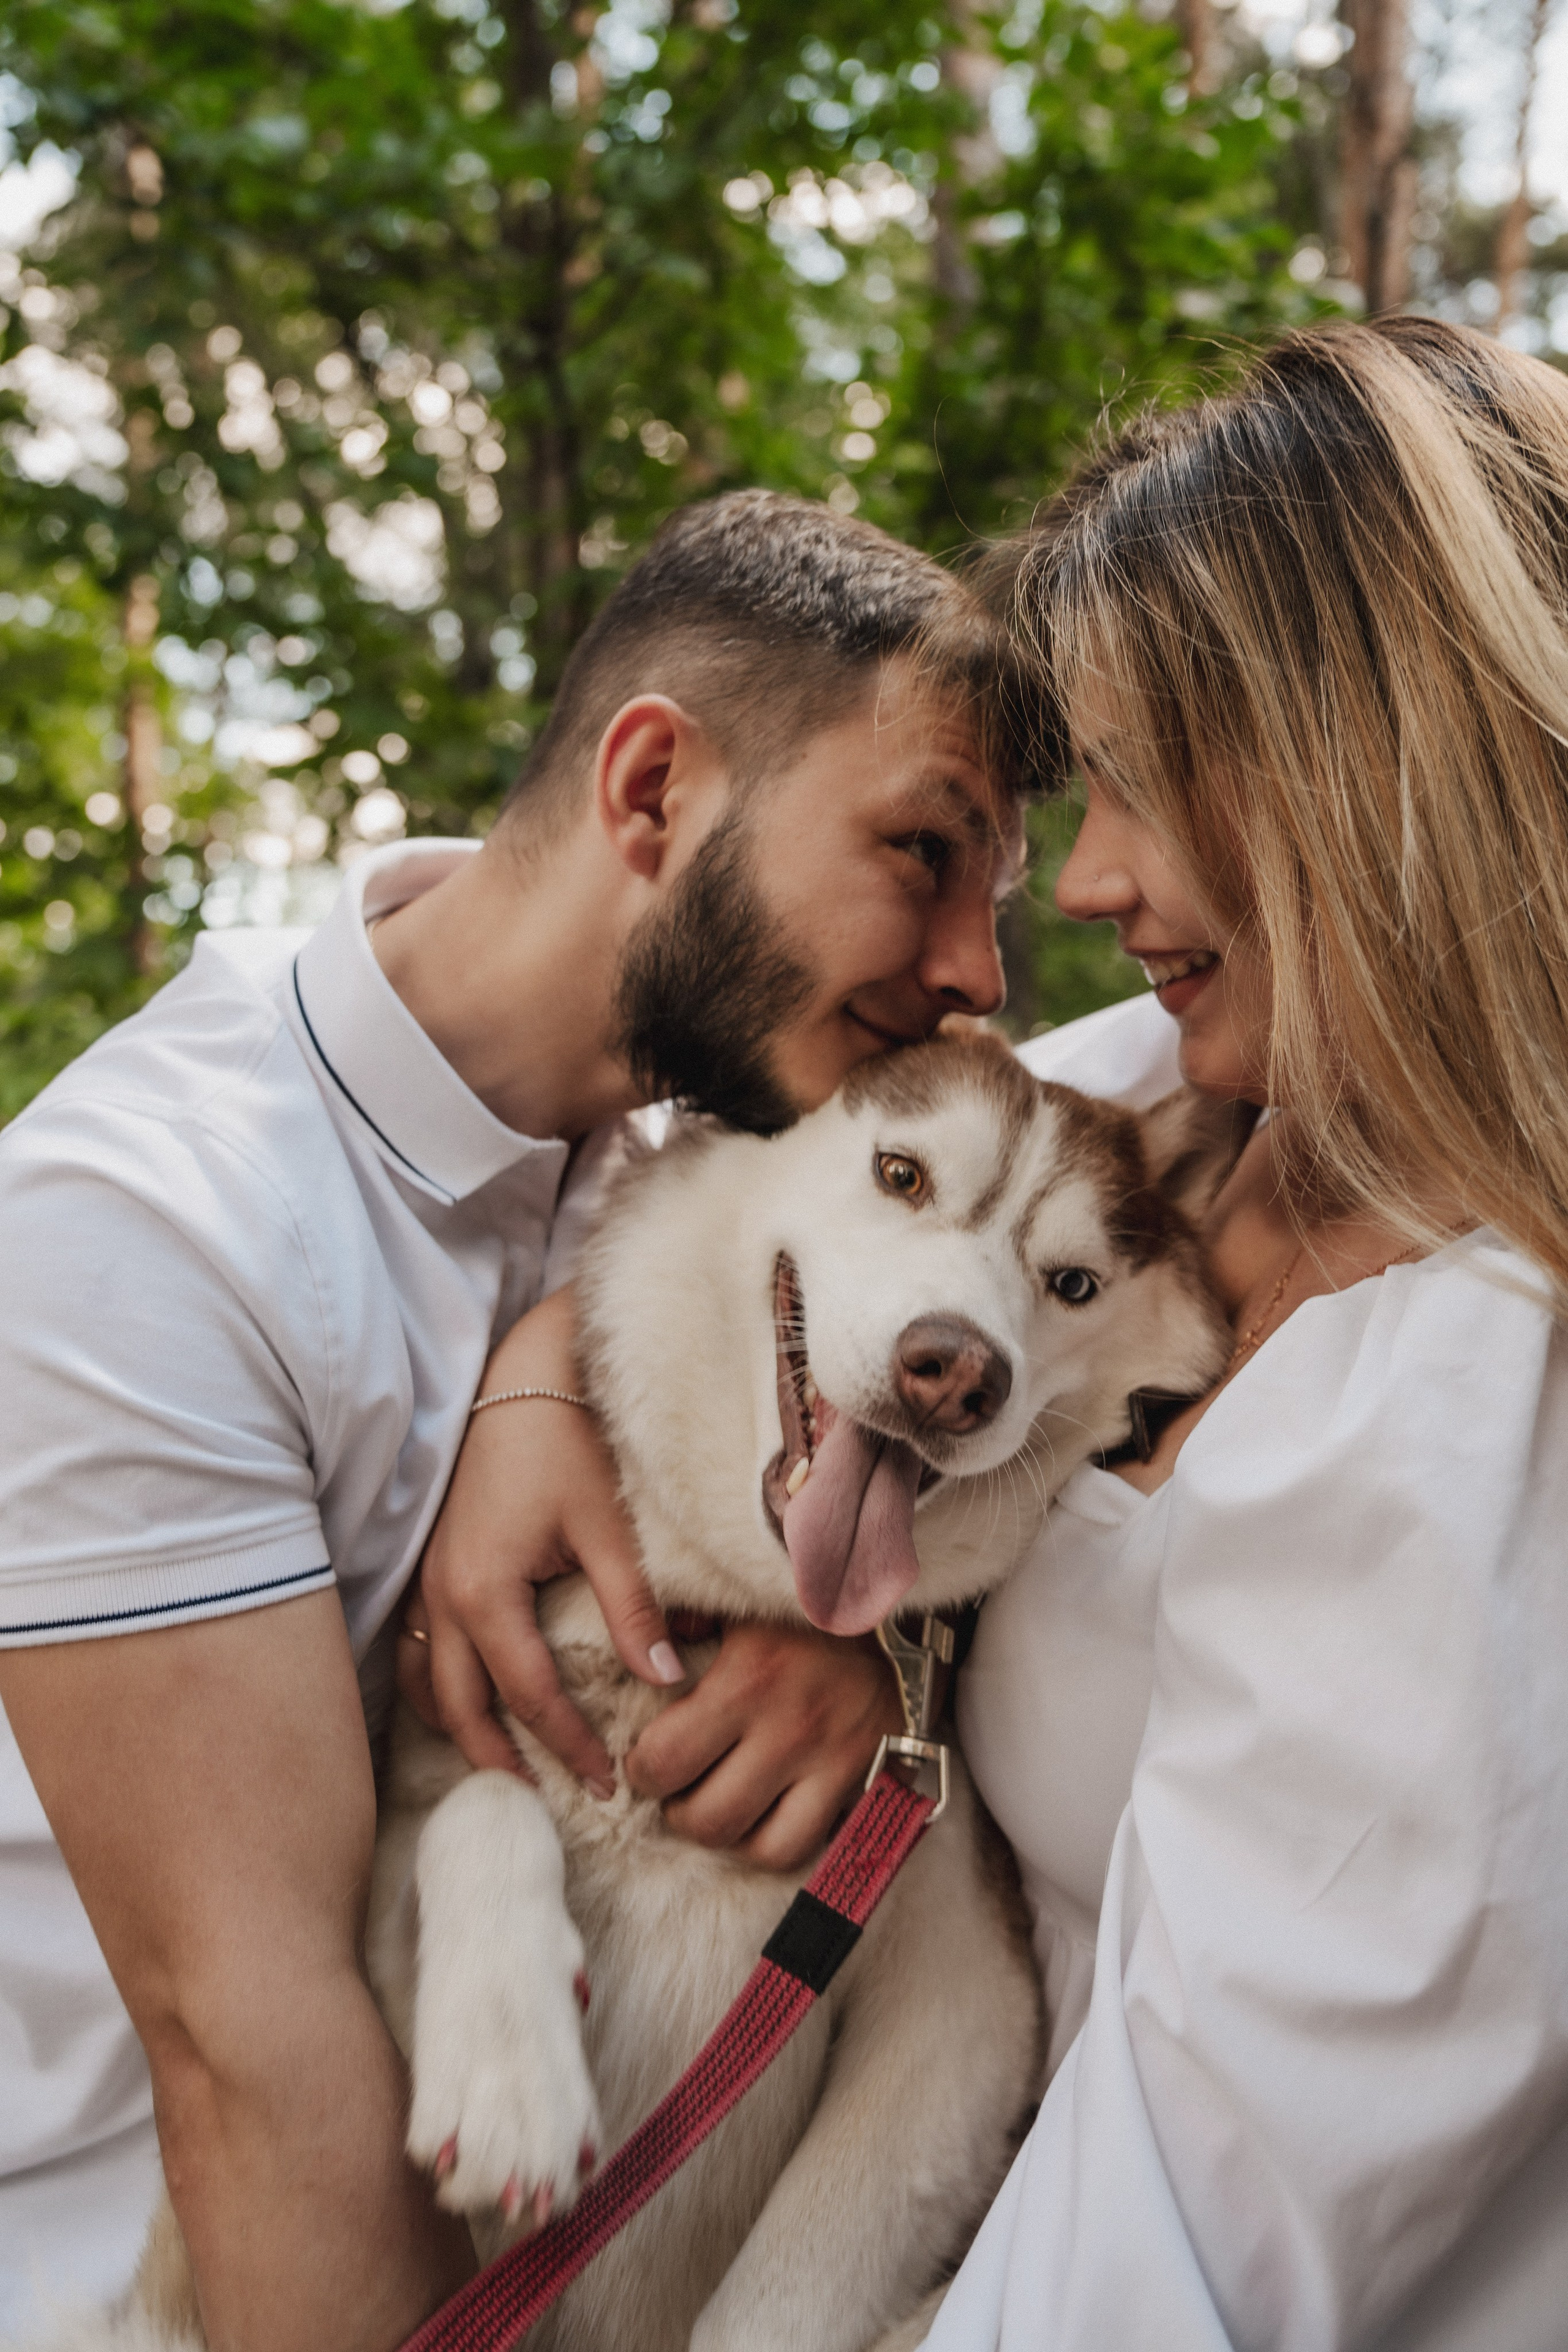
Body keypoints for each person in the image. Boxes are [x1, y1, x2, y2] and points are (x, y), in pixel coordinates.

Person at [420, 315, 1568, 2351]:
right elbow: (809, 1179)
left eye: (1139, 785)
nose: (1091, 882)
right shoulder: (1190, 1095)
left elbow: (1191, 2246)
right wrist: (545, 1385)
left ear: (1373, 773)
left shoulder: (1484, 1427)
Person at [0, 490, 1038, 2345]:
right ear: (654, 792)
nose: (977, 971)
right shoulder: (142, 1230)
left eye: (995, 901)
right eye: (922, 852)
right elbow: (255, 2056)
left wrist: (876, 1649)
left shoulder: (723, 1155)